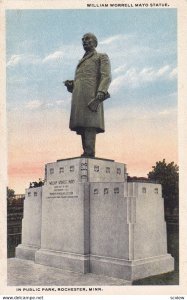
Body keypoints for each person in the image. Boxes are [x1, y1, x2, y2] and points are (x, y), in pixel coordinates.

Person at [64, 33, 111, 157]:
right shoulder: (81, 61)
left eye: (87, 39)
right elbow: (83, 80)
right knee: (82, 125)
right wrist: (72, 85)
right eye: (83, 40)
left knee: (90, 124)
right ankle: (86, 151)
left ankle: (89, 152)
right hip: (79, 97)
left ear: (95, 42)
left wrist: (101, 92)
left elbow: (106, 76)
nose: (84, 41)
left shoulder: (101, 56)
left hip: (92, 96)